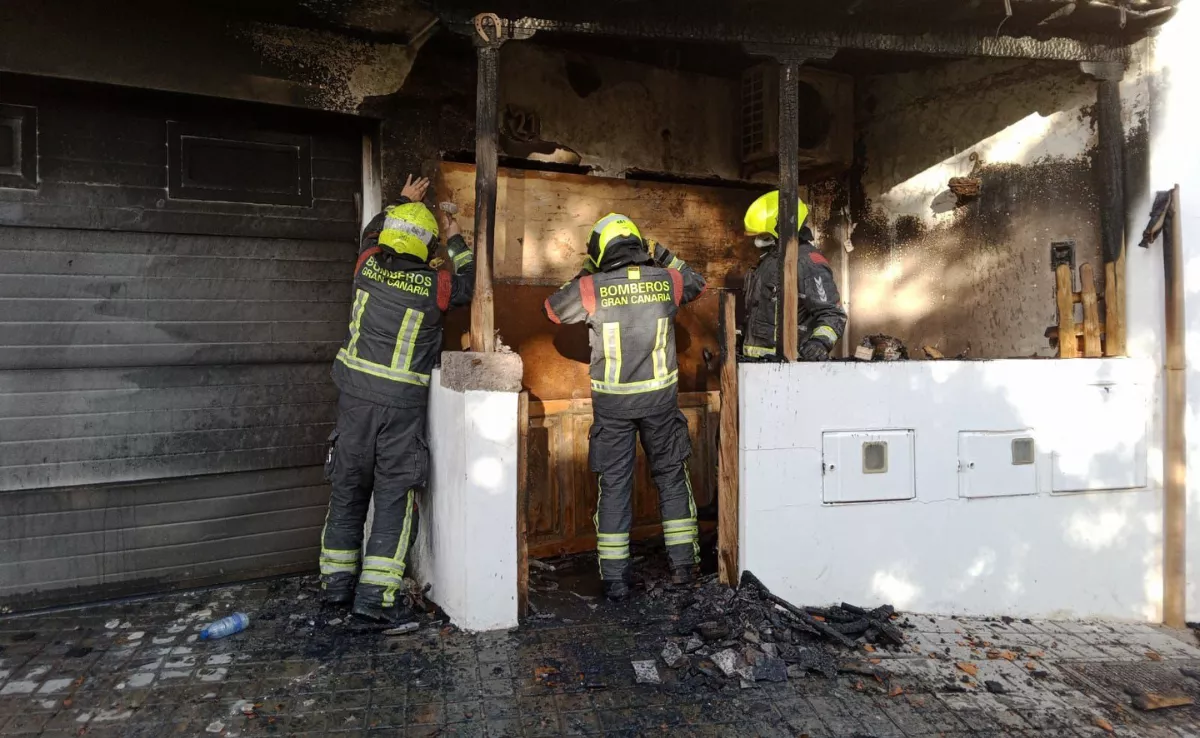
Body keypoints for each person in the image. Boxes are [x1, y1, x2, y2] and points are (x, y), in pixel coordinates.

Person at [319, 175, 475, 623]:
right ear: (428, 251)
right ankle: (375, 600)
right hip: (401, 410)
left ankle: (335, 588)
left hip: (354, 404)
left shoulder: (366, 265)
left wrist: (400, 204)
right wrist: (454, 236)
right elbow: (467, 279)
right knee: (393, 497)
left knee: (347, 492)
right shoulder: (436, 286)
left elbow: (371, 234)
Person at [542, 214, 707, 600]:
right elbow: (698, 283)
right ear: (637, 244)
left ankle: (615, 579)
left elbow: (552, 310)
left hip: (613, 409)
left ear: (602, 252)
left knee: (614, 486)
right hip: (661, 404)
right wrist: (665, 255)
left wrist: (588, 269)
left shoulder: (592, 287)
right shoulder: (668, 280)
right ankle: (684, 567)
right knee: (670, 479)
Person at [741, 191, 847, 361]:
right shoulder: (769, 261)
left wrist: (819, 343)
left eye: (763, 235)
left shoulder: (807, 262)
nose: (758, 241)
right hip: (758, 368)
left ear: (779, 228)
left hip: (789, 368)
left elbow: (833, 314)